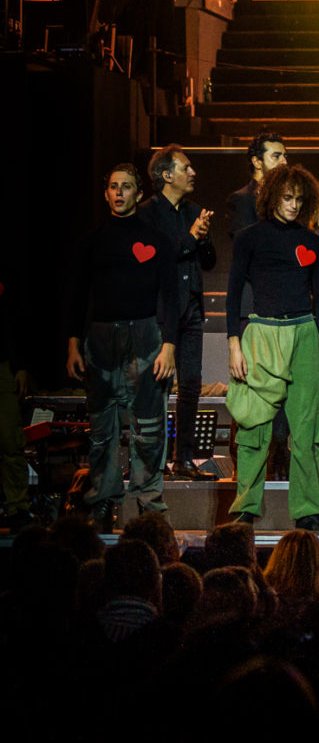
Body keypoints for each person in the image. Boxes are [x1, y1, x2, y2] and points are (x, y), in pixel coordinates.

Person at [69, 164, 182, 526]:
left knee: (149, 427)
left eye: (127, 187)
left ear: (138, 193)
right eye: (114, 187)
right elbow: (77, 296)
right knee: (102, 427)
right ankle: (103, 498)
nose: (119, 193)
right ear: (106, 194)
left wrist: (169, 345)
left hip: (145, 336)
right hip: (102, 339)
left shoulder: (156, 240)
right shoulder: (93, 242)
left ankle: (149, 505)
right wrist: (73, 343)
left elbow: (172, 297)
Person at [226, 162, 319, 531]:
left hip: (304, 333)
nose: (293, 205)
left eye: (299, 199)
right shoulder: (250, 238)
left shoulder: (312, 241)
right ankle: (245, 509)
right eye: (287, 197)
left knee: (306, 429)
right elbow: (233, 293)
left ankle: (308, 511)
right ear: (272, 196)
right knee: (253, 425)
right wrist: (234, 344)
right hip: (262, 332)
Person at [142, 147, 215, 480]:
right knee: (157, 385)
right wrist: (191, 237)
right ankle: (152, 461)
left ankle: (183, 458)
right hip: (160, 312)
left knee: (190, 385)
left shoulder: (194, 211)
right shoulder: (148, 214)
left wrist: (203, 238)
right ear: (166, 175)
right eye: (186, 167)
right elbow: (158, 257)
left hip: (192, 309)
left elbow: (209, 261)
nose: (193, 172)